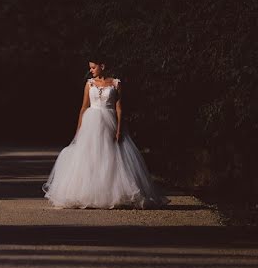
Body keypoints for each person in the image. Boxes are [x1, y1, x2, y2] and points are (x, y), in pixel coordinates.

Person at [43, 60, 168, 208]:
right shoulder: (89, 84)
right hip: (91, 123)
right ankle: (86, 193)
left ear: (102, 66)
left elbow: (120, 108)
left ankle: (114, 194)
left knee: (111, 156)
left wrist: (119, 128)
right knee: (89, 157)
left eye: (93, 67)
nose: (91, 70)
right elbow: (83, 107)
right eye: (90, 68)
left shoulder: (116, 84)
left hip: (110, 122)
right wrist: (79, 129)